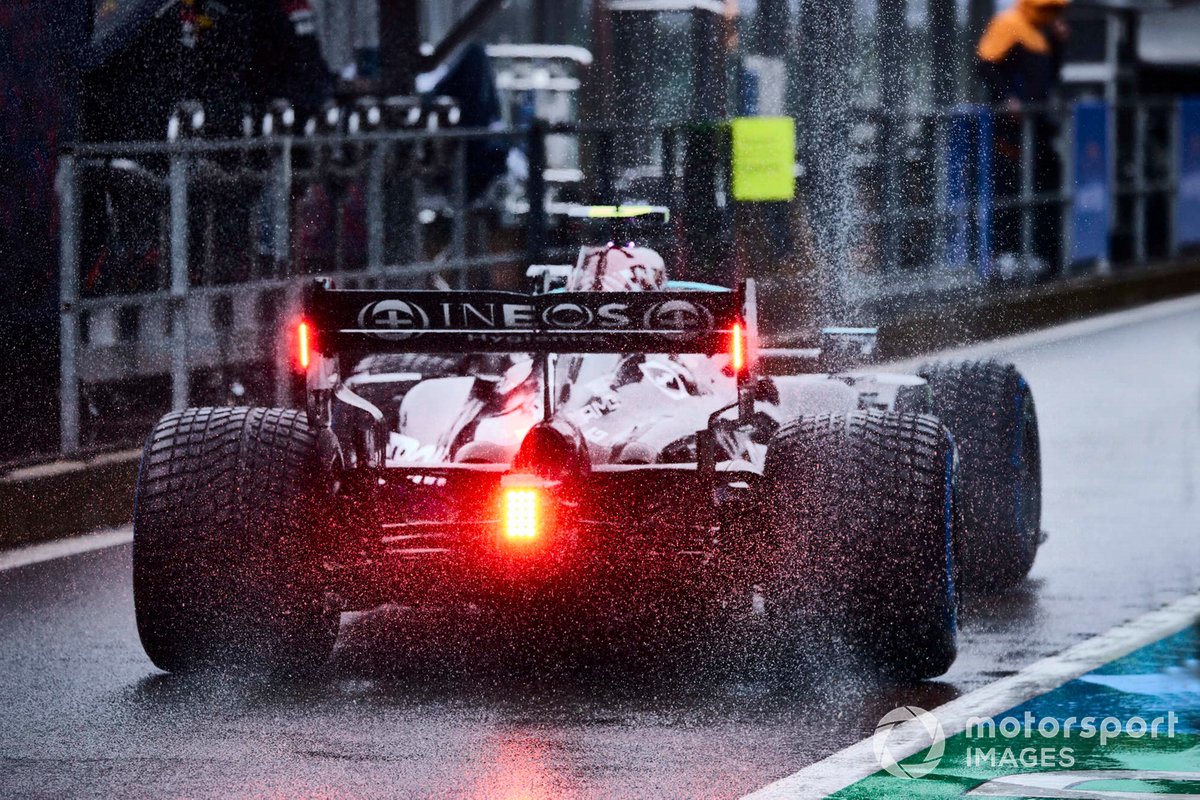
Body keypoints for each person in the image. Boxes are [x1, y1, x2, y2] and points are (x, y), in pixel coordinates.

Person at [976, 0, 1070, 280]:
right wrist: (1007, 99)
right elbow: (984, 65)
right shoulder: (1008, 24)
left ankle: (1043, 255)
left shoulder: (1042, 33)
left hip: (1038, 129)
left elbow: (1050, 77)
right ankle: (1004, 257)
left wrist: (1060, 44)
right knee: (1008, 190)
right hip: (1009, 133)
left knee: (1046, 188)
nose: (1052, 15)